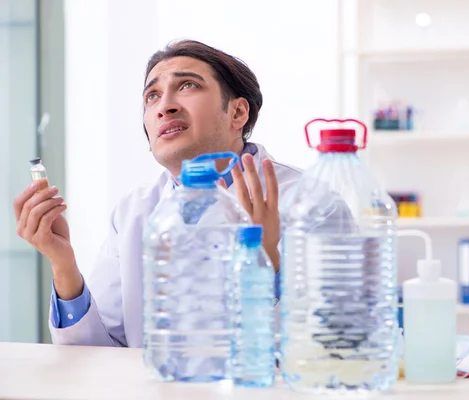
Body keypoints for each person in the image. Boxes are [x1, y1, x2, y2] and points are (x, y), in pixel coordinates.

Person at [13, 40, 302, 347]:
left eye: (188, 85)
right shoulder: (134, 212)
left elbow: (326, 349)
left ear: (238, 112)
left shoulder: (307, 202)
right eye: (152, 96)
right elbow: (97, 355)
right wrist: (63, 264)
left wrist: (267, 263)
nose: (165, 106)